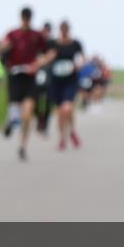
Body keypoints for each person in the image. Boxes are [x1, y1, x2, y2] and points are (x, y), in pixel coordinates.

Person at [0, 7, 52, 162]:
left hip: (30, 77)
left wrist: (39, 62)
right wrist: (1, 49)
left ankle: (22, 146)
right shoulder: (12, 34)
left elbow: (50, 52)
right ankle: (11, 121)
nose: (26, 20)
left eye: (28, 17)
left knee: (27, 114)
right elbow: (0, 48)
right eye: (24, 17)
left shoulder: (36, 35)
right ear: (21, 18)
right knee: (15, 111)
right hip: (15, 76)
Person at [48, 20, 85, 150]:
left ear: (68, 30)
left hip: (70, 79)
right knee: (60, 112)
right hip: (56, 80)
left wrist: (78, 65)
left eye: (66, 29)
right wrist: (48, 58)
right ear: (59, 30)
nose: (64, 31)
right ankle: (62, 138)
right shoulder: (52, 44)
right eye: (62, 29)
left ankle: (72, 131)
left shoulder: (75, 44)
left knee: (67, 108)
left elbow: (81, 58)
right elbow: (45, 57)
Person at [34, 21, 55, 136]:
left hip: (49, 75)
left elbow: (52, 55)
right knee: (35, 100)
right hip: (37, 74)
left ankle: (45, 125)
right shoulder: (37, 42)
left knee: (48, 102)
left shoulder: (52, 43)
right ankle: (39, 119)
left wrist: (42, 60)